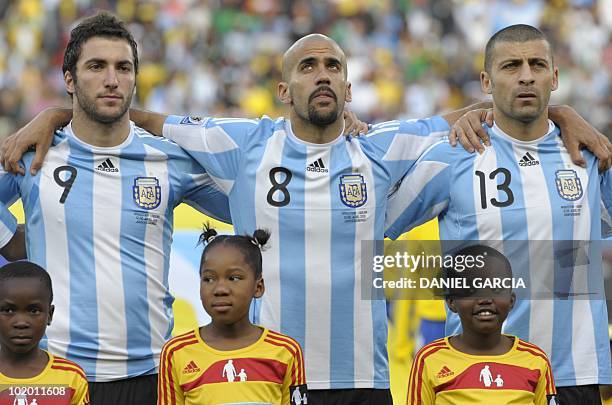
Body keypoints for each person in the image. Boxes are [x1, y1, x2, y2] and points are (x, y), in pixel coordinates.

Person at [2, 31, 609, 404]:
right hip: (261, 376)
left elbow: (483, 113)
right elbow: (140, 120)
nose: (323, 74)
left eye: (334, 67)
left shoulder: (384, 148)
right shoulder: (239, 146)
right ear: (284, 90)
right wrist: (55, 115)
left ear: (349, 88)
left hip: (366, 380)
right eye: (308, 66)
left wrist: (563, 116)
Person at [0, 12, 232, 405]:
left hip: (151, 373)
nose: (112, 79)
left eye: (123, 67)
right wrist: (9, 238)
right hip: (56, 372)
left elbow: (252, 202)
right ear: (69, 80)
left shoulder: (167, 160)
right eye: (96, 66)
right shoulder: (35, 153)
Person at [386, 24, 611, 403]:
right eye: (511, 66)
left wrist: (566, 116)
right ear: (486, 82)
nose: (526, 75)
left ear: (554, 77)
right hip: (478, 376)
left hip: (574, 372)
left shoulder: (587, 155)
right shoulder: (454, 154)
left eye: (537, 64)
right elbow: (372, 219)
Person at [158, 226, 307, 405]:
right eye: (209, 279)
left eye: (234, 278)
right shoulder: (176, 352)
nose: (220, 289)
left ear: (258, 287)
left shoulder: (286, 351)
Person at [408, 245, 557, 404]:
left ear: (511, 300)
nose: (485, 299)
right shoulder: (430, 359)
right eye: (471, 290)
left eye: (495, 288)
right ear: (451, 302)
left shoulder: (535, 360)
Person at [0, 261, 90, 404]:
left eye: (33, 311)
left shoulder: (71, 376)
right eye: (8, 310)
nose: (21, 322)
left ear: (50, 314)